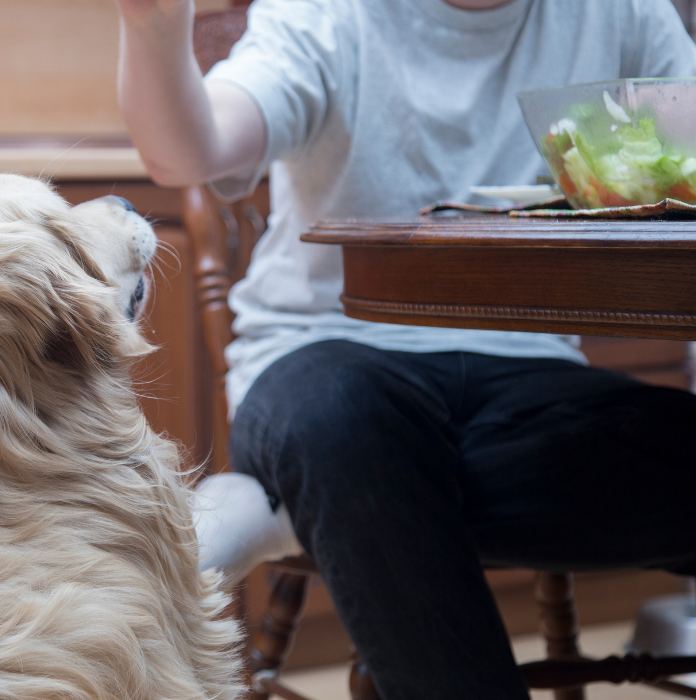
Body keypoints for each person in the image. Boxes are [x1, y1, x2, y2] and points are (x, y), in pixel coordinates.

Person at [115, 0, 696, 698]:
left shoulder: (622, 12)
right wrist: (153, 26)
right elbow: (188, 150)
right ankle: (338, 499)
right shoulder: (326, 13)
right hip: (326, 365)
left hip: (529, 388)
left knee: (378, 486)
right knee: (344, 423)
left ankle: (313, 510)